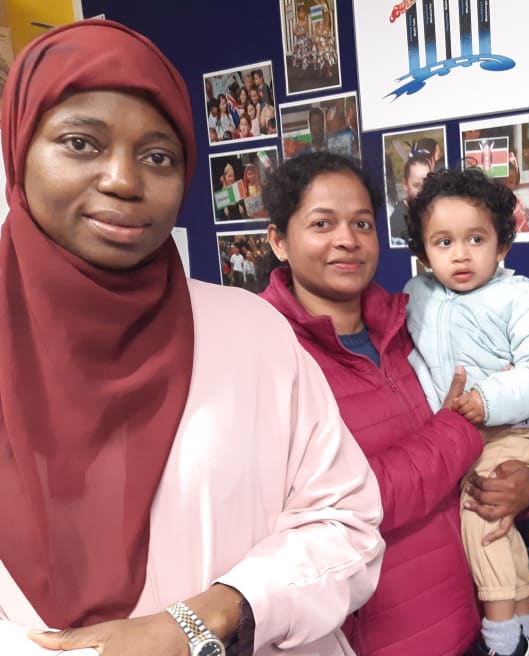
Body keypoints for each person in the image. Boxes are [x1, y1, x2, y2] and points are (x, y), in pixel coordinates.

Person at [0, 20, 384, 656]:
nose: (124, 180)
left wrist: (205, 618)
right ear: (19, 150)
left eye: (158, 156)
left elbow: (347, 521)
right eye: (80, 143)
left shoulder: (251, 333)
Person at [260, 152, 529, 656]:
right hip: (378, 639)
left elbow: (489, 452)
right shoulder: (265, 355)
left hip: (469, 622)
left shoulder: (411, 323)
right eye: (322, 224)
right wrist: (462, 431)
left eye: (361, 223)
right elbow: (347, 500)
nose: (346, 239)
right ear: (279, 240)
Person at [402, 168, 529, 656]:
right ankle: (527, 625)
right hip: (455, 435)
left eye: (476, 239)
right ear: (423, 251)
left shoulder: (527, 300)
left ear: (501, 247)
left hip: (509, 430)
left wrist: (489, 398)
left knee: (481, 514)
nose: (460, 254)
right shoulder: (416, 297)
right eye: (443, 242)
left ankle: (501, 638)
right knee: (498, 529)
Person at [387, 155, 431, 246]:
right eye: (416, 185)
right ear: (405, 185)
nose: (422, 191)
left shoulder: (434, 212)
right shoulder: (397, 223)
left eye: (427, 184)